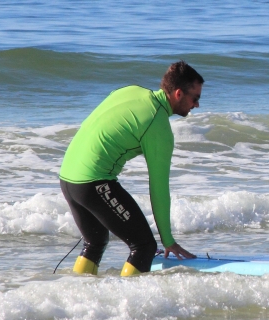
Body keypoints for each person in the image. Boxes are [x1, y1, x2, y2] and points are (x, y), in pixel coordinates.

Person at [59, 60, 202, 276]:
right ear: (179, 94)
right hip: (93, 181)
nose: (197, 105)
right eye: (195, 98)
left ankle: (79, 295)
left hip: (68, 177)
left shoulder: (131, 90)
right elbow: (159, 188)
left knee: (95, 241)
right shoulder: (158, 126)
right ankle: (128, 305)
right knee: (144, 246)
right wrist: (168, 240)